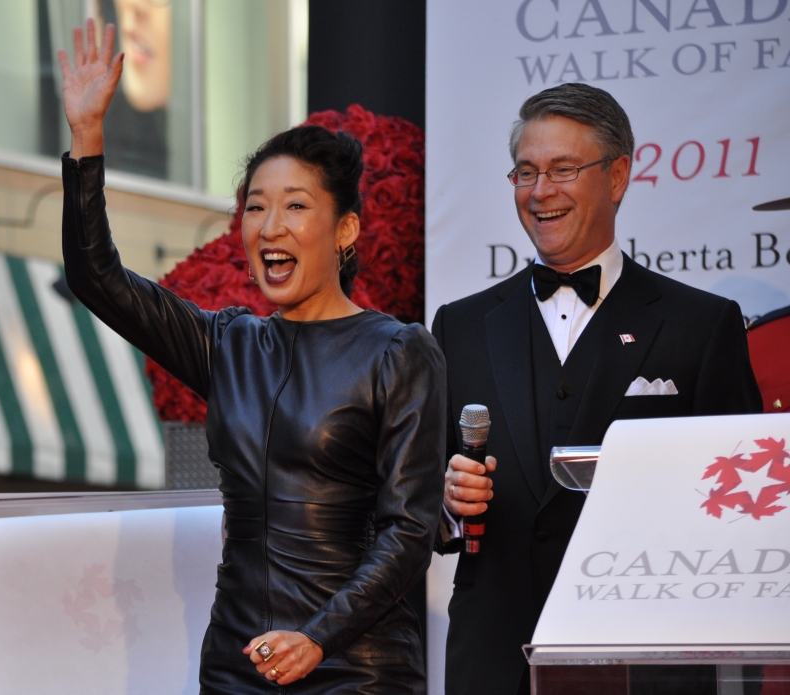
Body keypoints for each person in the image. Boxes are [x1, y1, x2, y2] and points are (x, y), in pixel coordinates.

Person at [58, 21, 445, 694]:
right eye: (255, 207)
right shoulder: (228, 344)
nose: (269, 227)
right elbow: (97, 277)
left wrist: (317, 637)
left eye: (295, 206)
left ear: (346, 229)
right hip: (241, 664)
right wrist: (88, 137)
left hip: (357, 665)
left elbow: (409, 531)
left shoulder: (400, 350)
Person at [432, 82, 763, 695]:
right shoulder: (459, 325)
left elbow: (742, 508)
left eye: (563, 170)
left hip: (652, 662)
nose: (540, 192)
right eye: (525, 172)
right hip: (495, 659)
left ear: (616, 177)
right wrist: (449, 504)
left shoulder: (701, 324)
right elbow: (418, 499)